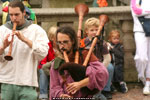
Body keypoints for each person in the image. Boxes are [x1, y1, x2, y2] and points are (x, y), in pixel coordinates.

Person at [0, 1, 49, 100]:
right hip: (7, 82)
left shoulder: (36, 30)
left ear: (24, 13)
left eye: (17, 14)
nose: (13, 18)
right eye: (11, 15)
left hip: (28, 82)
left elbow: (43, 54)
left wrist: (25, 40)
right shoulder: (2, 30)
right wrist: (3, 47)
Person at [50, 26, 108, 99]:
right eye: (59, 43)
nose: (62, 46)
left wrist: (80, 84)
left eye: (65, 42)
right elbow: (54, 87)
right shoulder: (56, 63)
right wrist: (61, 95)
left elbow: (102, 73)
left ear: (73, 41)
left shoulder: (84, 55)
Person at [80, 17, 114, 99]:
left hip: (100, 65)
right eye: (92, 30)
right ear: (86, 31)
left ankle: (105, 90)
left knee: (110, 67)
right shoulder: (83, 42)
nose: (95, 32)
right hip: (88, 65)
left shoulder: (102, 43)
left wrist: (100, 69)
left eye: (96, 29)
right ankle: (91, 92)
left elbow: (107, 58)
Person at [131, 0, 150, 95]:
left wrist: (144, 10)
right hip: (139, 30)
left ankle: (148, 83)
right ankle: (142, 76)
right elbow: (136, 11)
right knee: (141, 58)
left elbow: (140, 11)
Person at [38, 26, 57, 100]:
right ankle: (43, 95)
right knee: (42, 70)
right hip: (47, 67)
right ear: (52, 38)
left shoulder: (61, 45)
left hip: (57, 68)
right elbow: (43, 61)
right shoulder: (47, 46)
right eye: (56, 37)